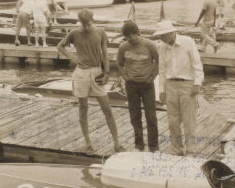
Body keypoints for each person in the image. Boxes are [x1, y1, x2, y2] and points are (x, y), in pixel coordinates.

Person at [57, 9, 125, 154]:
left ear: (92, 20)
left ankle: (117, 143)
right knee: (83, 108)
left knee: (106, 108)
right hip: (81, 73)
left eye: (88, 24)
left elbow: (105, 54)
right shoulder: (74, 33)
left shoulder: (100, 32)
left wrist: (107, 72)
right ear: (80, 22)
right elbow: (60, 46)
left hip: (97, 72)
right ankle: (88, 143)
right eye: (83, 24)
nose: (86, 27)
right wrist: (73, 58)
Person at [154, 20, 204, 156]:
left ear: (171, 32)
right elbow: (162, 70)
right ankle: (176, 149)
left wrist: (197, 83)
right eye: (160, 35)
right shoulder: (162, 48)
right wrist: (162, 90)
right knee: (172, 121)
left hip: (187, 84)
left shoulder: (188, 42)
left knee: (189, 120)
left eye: (163, 35)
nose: (161, 38)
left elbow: (197, 64)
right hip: (170, 85)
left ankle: (191, 150)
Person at [117, 21, 159, 152]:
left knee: (151, 116)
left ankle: (153, 146)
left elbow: (159, 61)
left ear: (138, 33)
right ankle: (139, 144)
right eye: (128, 37)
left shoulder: (150, 45)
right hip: (131, 85)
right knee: (135, 116)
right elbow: (119, 64)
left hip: (147, 85)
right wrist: (126, 77)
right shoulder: (123, 47)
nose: (131, 39)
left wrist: (153, 77)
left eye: (133, 35)